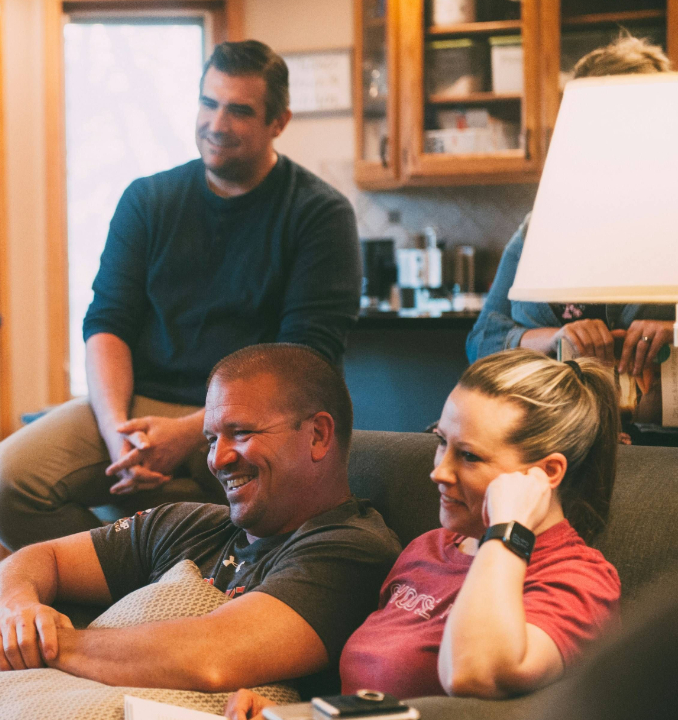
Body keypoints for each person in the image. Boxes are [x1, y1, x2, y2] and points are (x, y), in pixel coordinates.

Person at [0, 40, 362, 550]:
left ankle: (184, 574)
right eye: (208, 103)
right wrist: (117, 432)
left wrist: (195, 434)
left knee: (278, 506)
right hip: (140, 404)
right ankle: (115, 578)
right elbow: (107, 322)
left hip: (255, 418)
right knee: (0, 486)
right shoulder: (147, 200)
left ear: (278, 122)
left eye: (239, 110)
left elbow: (307, 359)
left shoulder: (319, 213)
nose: (217, 123)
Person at [0, 344, 400, 697]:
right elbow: (38, 559)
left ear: (318, 435)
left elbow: (212, 656)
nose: (218, 459)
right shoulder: (183, 524)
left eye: (242, 433)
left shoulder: (350, 547)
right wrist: (18, 612)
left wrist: (45, 645)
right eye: (211, 439)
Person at [226, 349, 621, 719]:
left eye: (469, 456)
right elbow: (379, 699)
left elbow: (472, 672)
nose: (439, 472)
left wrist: (508, 530)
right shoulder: (429, 548)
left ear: (547, 473)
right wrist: (296, 713)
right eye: (440, 441)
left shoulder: (578, 578)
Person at [466, 35, 673, 380]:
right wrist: (555, 339)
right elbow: (480, 342)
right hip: (546, 408)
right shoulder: (539, 228)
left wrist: (673, 329)